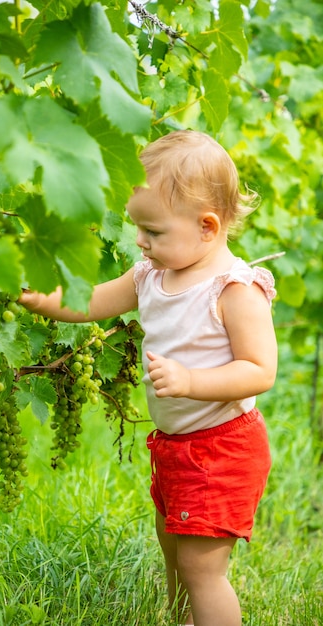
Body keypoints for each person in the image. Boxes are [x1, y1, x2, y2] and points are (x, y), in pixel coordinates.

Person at [18, 130, 278, 626]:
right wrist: (42, 300)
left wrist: (190, 381)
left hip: (222, 449)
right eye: (138, 228)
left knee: (203, 570)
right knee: (176, 560)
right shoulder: (150, 276)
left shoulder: (235, 290)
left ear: (207, 227)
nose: (140, 241)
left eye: (153, 232)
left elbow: (260, 370)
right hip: (176, 447)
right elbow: (92, 301)